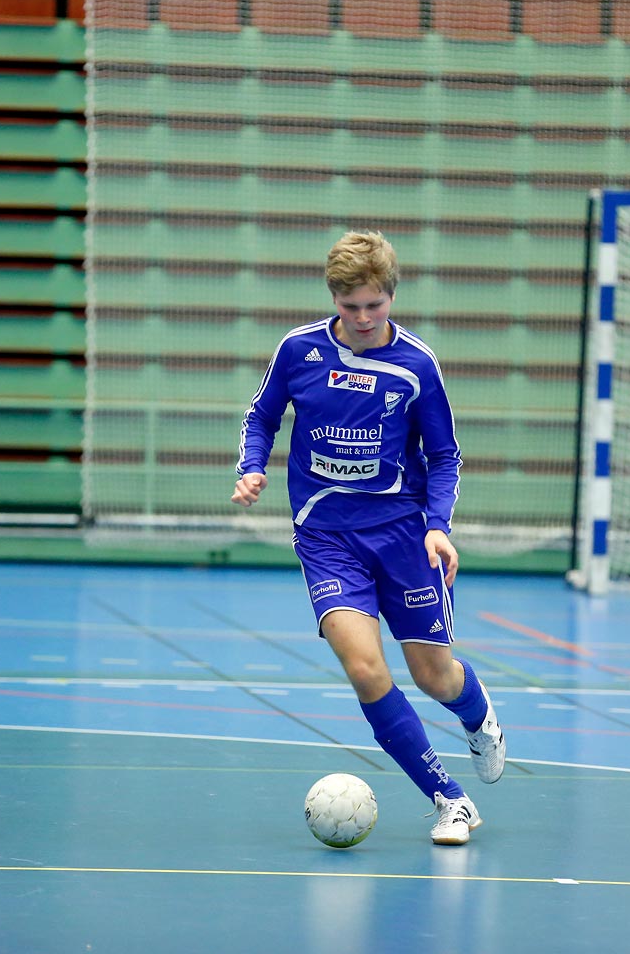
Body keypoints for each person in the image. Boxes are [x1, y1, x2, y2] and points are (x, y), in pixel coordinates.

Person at [232, 230, 505, 845]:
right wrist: (253, 465)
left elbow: (444, 455)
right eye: (349, 305)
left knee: (434, 677)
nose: (361, 318)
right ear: (333, 297)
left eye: (373, 306)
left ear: (391, 298)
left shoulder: (416, 366)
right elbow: (262, 415)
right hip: (327, 536)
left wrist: (439, 528)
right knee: (364, 668)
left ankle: (478, 715)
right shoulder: (299, 352)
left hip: (405, 536)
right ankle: (450, 800)